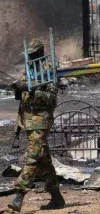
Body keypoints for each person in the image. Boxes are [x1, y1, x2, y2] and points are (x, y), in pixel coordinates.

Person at [8, 39, 65, 212]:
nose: (30, 57)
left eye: (33, 54)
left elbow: (51, 99)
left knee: (32, 156)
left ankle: (19, 194)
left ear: (40, 53)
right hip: (28, 120)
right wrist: (18, 89)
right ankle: (56, 197)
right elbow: (21, 94)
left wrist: (32, 89)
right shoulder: (28, 69)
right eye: (29, 54)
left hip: (41, 120)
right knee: (43, 159)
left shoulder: (48, 70)